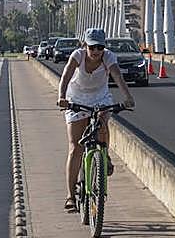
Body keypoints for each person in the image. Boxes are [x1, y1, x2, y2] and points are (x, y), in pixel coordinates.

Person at [56, 28, 135, 212]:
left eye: (100, 47)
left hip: (100, 97)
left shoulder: (108, 57)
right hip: (76, 98)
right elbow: (66, 75)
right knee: (76, 147)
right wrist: (61, 97)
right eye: (92, 47)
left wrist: (128, 97)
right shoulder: (78, 56)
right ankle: (70, 195)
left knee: (102, 123)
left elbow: (117, 76)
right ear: (86, 46)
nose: (96, 51)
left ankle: (104, 156)